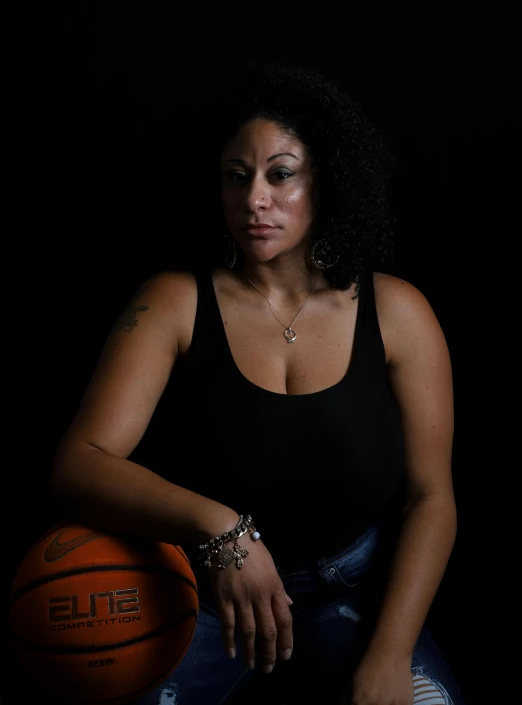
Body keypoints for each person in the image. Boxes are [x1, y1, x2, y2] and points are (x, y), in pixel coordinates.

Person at [47, 61, 466, 704]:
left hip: (353, 592)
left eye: (281, 174)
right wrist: (223, 531)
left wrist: (387, 654)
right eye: (237, 178)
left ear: (325, 178)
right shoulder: (174, 302)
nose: (255, 200)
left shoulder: (399, 313)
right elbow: (78, 465)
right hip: (207, 594)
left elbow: (430, 499)